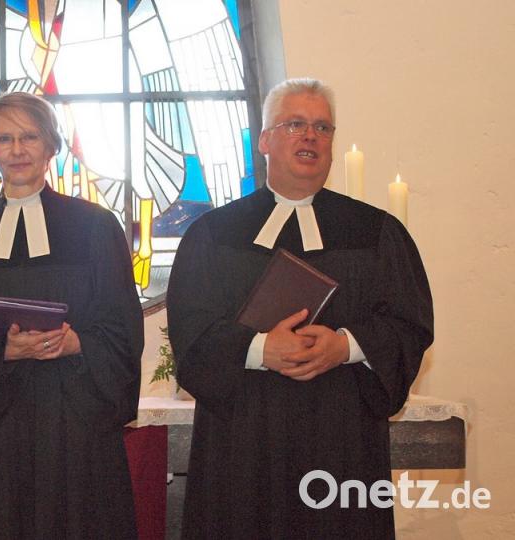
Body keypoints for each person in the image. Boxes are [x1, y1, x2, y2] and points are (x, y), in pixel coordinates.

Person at [166, 78, 434, 539]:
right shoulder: (212, 234)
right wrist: (258, 349)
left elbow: (409, 326)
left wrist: (346, 346)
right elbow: (191, 330)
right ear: (265, 141)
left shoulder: (376, 233)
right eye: (295, 125)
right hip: (242, 440)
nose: (310, 136)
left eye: (322, 128)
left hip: (342, 438)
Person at [0, 92, 143, 539]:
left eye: (29, 137)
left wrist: (76, 342)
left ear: (51, 146)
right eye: (5, 138)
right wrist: (3, 351)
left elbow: (122, 325)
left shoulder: (96, 227)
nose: (17, 149)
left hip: (77, 424)